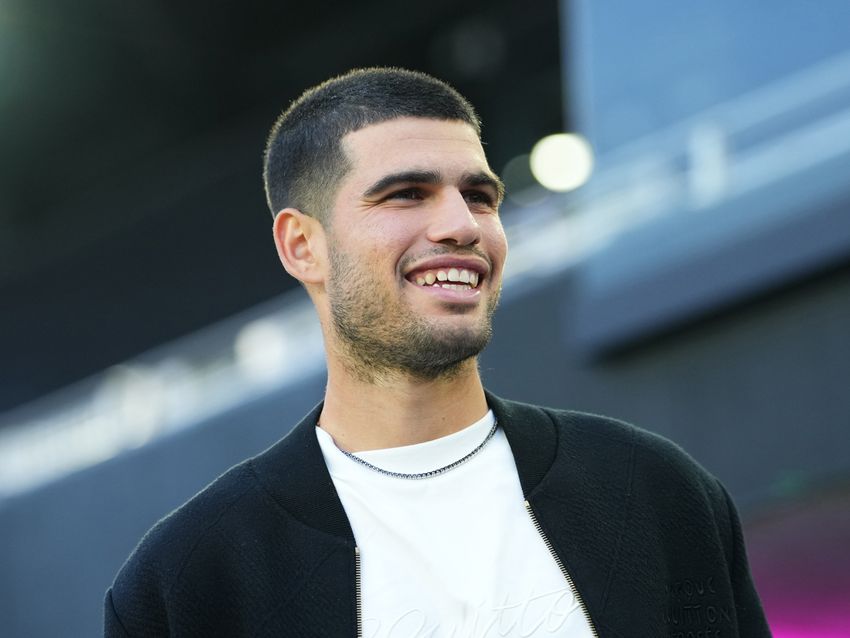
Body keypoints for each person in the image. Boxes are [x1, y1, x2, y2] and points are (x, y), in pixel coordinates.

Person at [104, 68, 771, 637]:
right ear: (303, 246)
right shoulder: (192, 578)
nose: (461, 225)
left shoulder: (650, 490)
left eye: (479, 196)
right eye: (406, 194)